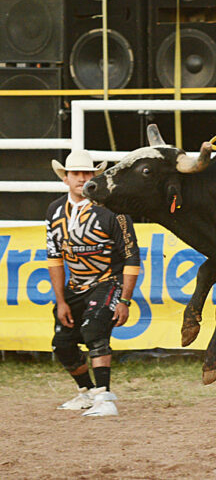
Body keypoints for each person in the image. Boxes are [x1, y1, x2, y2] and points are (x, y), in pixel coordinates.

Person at [46, 150, 140, 416]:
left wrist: (124, 299)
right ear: (65, 178)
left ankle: (105, 398)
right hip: (76, 285)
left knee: (94, 329)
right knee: (62, 344)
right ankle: (86, 393)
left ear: (94, 176)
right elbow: (54, 258)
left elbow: (132, 256)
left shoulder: (113, 210)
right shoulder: (54, 211)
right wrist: (61, 300)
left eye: (87, 173)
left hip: (108, 280)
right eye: (75, 173)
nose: (82, 178)